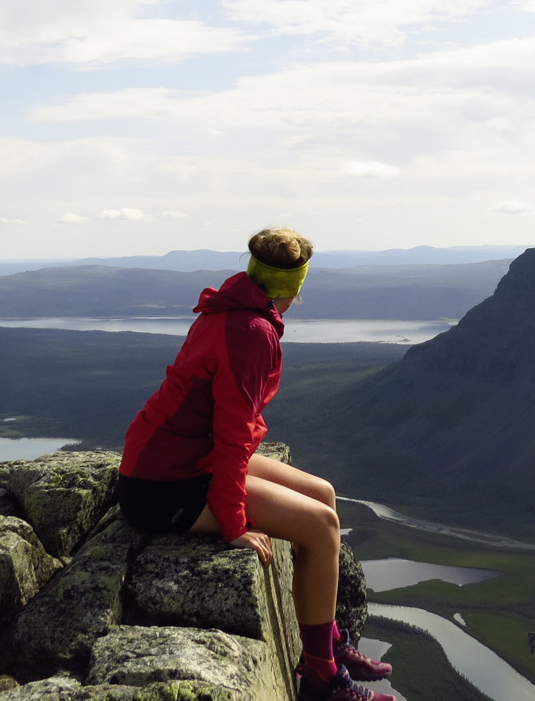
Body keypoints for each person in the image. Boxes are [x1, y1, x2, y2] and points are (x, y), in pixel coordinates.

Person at [118, 227, 394, 701]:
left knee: (323, 492)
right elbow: (232, 435)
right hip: (164, 486)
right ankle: (323, 678)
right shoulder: (251, 331)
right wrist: (232, 523)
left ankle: (327, 640)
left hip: (183, 459)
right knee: (322, 525)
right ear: (293, 287)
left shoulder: (229, 307)